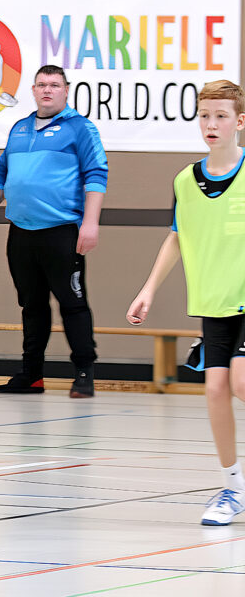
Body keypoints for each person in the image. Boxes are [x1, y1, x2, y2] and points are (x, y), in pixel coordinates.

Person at [127, 80, 245, 526]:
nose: (211, 124)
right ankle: (233, 487)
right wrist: (148, 289)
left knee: (241, 381)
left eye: (221, 116)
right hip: (213, 300)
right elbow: (177, 238)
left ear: (239, 121)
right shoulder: (185, 180)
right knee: (215, 390)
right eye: (205, 116)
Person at [0, 64, 108, 397]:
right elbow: (1, 173)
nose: (47, 90)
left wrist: (90, 223)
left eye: (54, 85)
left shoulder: (80, 128)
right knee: (32, 306)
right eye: (41, 85)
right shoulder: (20, 128)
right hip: (21, 233)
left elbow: (96, 174)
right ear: (33, 91)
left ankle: (84, 373)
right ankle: (31, 375)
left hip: (61, 232)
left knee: (73, 304)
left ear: (66, 90)